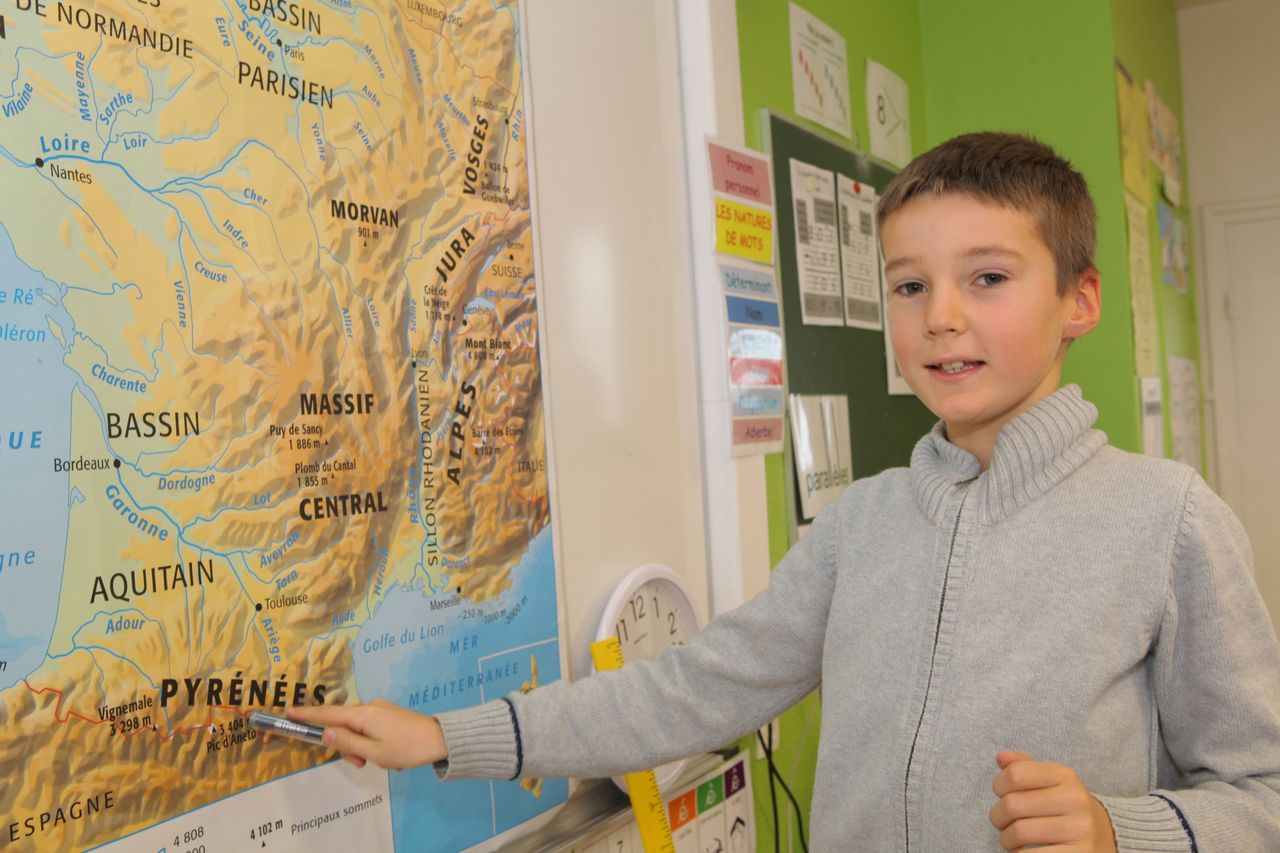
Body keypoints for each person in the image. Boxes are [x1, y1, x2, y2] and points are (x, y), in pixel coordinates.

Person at [292, 133, 1280, 851]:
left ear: (1079, 300)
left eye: (987, 278)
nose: (940, 317)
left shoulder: (1167, 519)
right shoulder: (860, 525)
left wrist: (1119, 828)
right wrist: (447, 735)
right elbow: (691, 689)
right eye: (909, 286)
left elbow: (1260, 794)